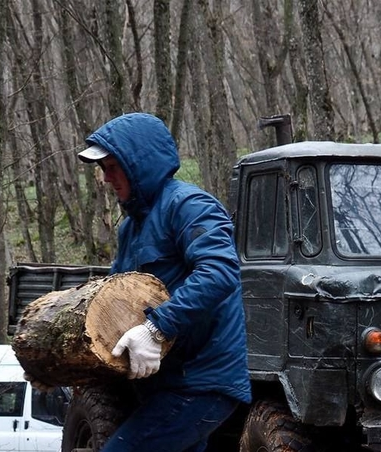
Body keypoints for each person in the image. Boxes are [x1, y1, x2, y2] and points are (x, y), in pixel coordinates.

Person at [76, 112, 251, 452]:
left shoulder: (189, 206)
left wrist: (156, 328)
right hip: (162, 385)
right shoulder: (132, 226)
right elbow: (117, 293)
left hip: (201, 384)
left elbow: (219, 272)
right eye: (102, 169)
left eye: (112, 166)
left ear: (138, 164)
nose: (106, 177)